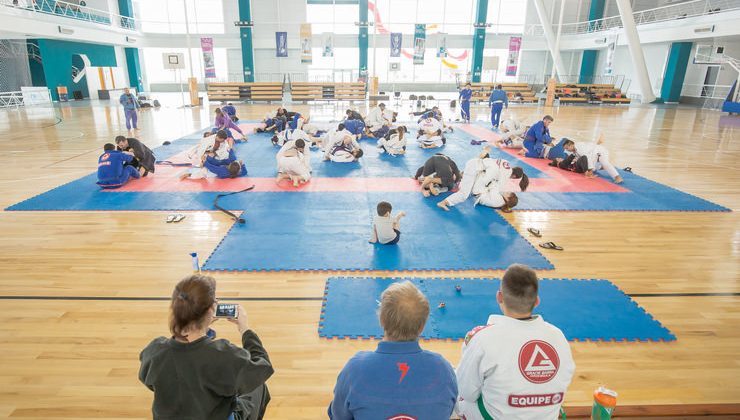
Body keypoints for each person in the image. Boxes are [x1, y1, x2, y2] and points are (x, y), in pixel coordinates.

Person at [139, 274, 273, 420]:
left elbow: (150, 379)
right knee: (258, 388)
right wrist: (245, 329)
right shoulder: (224, 354)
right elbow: (262, 367)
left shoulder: (154, 350)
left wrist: (203, 328)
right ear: (210, 310)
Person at [455, 264, 575, 420]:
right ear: (537, 301)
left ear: (499, 297)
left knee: (458, 390)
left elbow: (467, 392)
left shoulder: (483, 338)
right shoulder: (558, 336)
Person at [328, 281, 457, 419]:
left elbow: (338, 415)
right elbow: (447, 411)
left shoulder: (354, 370)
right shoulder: (443, 370)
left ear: (382, 320)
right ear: (422, 326)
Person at [437, 147, 528, 211]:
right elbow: (498, 188)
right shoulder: (504, 174)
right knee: (463, 194)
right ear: (514, 176)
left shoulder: (506, 163)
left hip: (477, 167)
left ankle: (448, 178)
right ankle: (443, 202)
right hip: (475, 169)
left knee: (468, 185)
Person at [180, 149, 248, 180]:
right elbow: (245, 172)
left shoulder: (222, 170)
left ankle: (188, 175)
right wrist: (243, 165)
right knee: (231, 158)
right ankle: (210, 157)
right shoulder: (237, 173)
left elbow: (211, 167)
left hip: (215, 171)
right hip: (219, 165)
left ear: (229, 166)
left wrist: (204, 161)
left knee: (202, 173)